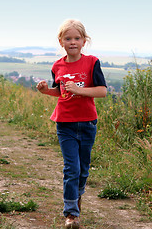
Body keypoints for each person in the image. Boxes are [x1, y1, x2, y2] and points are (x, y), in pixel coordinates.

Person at [36, 19, 107, 229]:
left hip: (87, 123)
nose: (73, 42)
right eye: (68, 38)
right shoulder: (57, 65)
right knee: (72, 169)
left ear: (84, 41)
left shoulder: (92, 62)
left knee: (83, 170)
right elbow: (60, 91)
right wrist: (45, 91)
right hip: (65, 123)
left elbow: (102, 91)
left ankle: (76, 201)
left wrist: (79, 90)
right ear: (61, 41)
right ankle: (71, 215)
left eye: (77, 38)